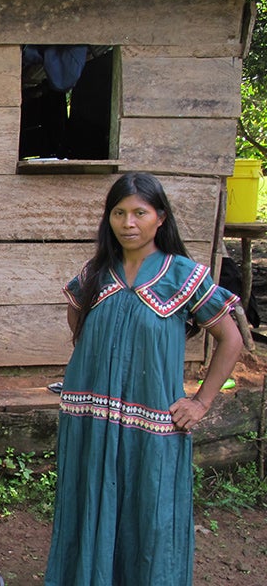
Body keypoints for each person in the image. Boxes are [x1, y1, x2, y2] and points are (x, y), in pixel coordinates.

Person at [44, 172, 243, 585]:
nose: (128, 223)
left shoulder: (182, 275)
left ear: (160, 218)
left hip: (150, 421)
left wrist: (200, 402)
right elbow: (78, 322)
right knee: (89, 502)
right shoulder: (96, 273)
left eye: (139, 212)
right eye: (118, 213)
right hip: (92, 418)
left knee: (148, 511)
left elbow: (230, 339)